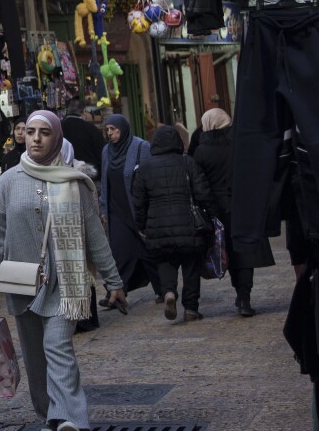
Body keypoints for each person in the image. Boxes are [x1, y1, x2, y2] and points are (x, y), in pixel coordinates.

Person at [0, 111, 126, 431]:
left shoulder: (73, 182)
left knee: (58, 347)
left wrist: (113, 280)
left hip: (64, 282)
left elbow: (94, 235)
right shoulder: (8, 182)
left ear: (56, 137)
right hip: (21, 283)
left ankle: (67, 419)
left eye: (44, 132)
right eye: (30, 132)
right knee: (34, 356)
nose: (36, 138)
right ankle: (48, 416)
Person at [192, 108, 274, 317]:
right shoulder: (240, 145)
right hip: (243, 203)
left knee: (226, 250)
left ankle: (239, 292)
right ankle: (244, 296)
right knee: (245, 251)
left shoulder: (202, 151)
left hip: (217, 208)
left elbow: (200, 183)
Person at [133, 125, 213, 321]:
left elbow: (139, 203)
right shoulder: (188, 163)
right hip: (188, 225)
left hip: (158, 226)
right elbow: (203, 193)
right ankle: (191, 308)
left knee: (164, 262)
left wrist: (142, 225)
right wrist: (211, 215)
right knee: (191, 266)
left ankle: (169, 292)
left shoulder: (144, 169)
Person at [99, 115, 162, 300]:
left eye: (114, 129)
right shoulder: (106, 151)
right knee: (119, 251)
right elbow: (104, 180)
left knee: (147, 251)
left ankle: (163, 288)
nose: (110, 133)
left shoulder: (141, 147)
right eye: (107, 130)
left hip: (137, 208)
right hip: (116, 210)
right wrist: (103, 207)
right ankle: (116, 292)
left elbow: (149, 177)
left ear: (123, 129)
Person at [61, 99, 106, 167]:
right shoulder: (91, 129)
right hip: (89, 172)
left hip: (64, 171)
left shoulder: (59, 127)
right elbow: (101, 152)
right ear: (84, 111)